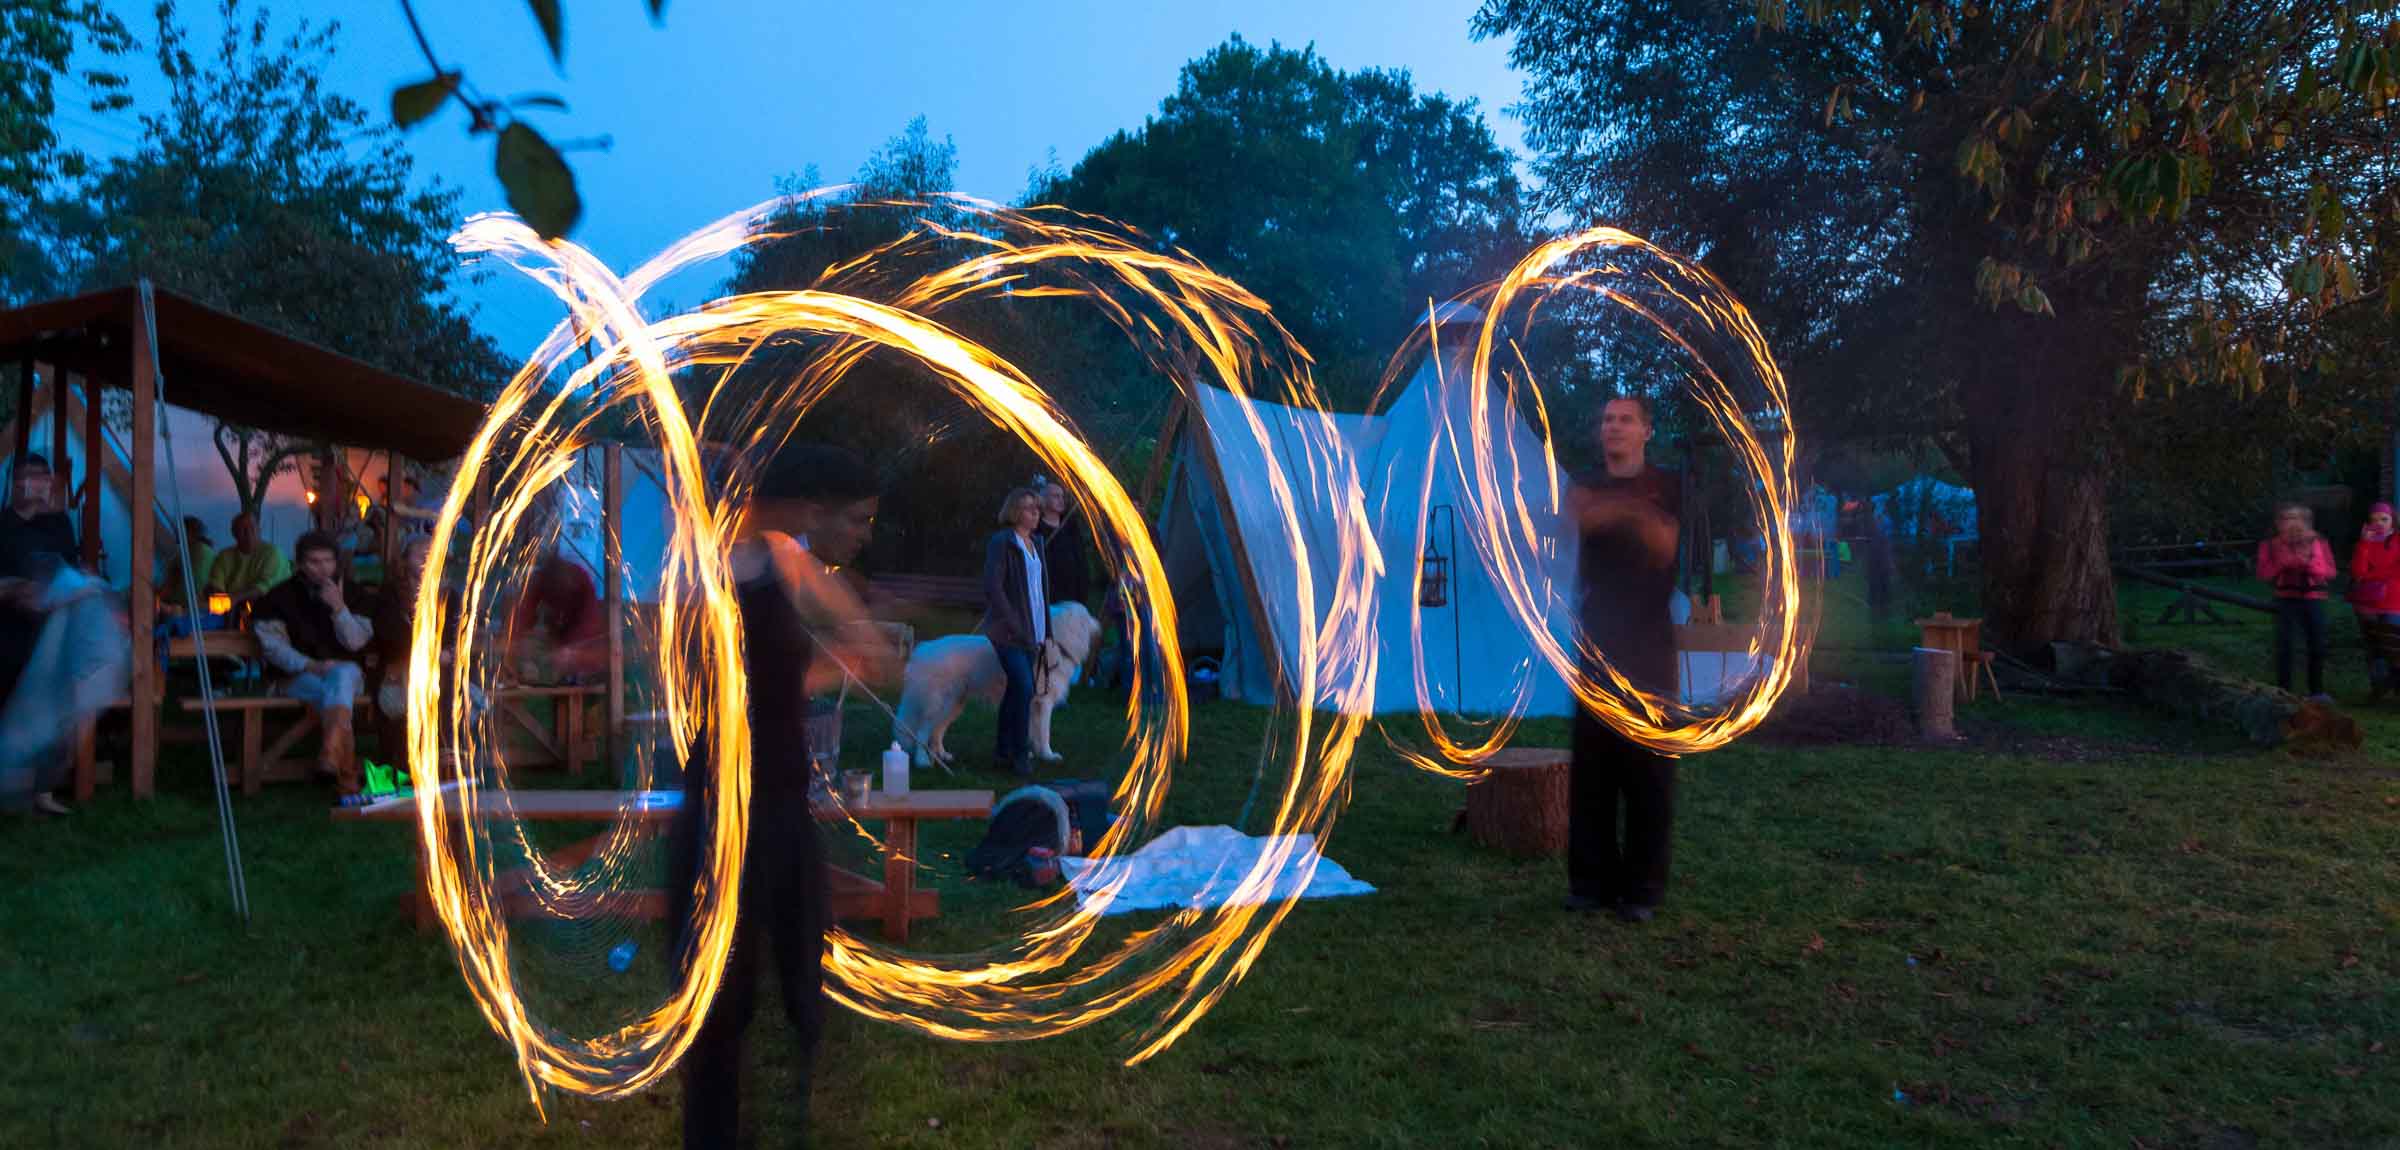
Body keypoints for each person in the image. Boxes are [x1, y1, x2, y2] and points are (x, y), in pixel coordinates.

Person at [667, 444, 892, 1150]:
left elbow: (873, 652)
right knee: (716, 993)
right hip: (717, 796)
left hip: (778, 793)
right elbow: (679, 671)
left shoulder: (780, 560)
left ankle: (786, 1113)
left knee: (799, 974)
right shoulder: (690, 571)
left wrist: (804, 682)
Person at [1563, 396, 1682, 924]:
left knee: (1649, 773)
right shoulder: (1585, 486)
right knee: (1592, 771)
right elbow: (1568, 528)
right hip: (1595, 643)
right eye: (1607, 418)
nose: (1613, 426)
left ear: (1646, 432)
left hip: (1649, 646)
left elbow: (1664, 541)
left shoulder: (1669, 486)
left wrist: (1618, 511)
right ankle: (1590, 885)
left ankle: (1643, 891)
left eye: (1625, 419)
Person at [252, 531, 374, 803]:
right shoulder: (278, 598)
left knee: (341, 675)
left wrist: (339, 609)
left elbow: (356, 644)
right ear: (299, 563)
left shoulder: (355, 594)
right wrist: (311, 665)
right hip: (297, 676)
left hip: (347, 674)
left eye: (327, 561)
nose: (321, 568)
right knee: (333, 689)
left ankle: (330, 757)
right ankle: (344, 774)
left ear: (336, 562)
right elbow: (274, 649)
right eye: (313, 562)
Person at [0, 454, 80, 815]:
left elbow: (69, 570)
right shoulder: (3, 526)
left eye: (46, 477)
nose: (45, 483)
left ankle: (43, 793)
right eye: (36, 477)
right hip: (6, 632)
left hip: (50, 629)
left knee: (52, 707)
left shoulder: (59, 524)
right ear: (17, 483)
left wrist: (73, 589)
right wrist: (12, 589)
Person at [981, 486, 1047, 777]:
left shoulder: (1037, 544)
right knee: (1024, 687)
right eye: (1029, 508)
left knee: (1016, 691)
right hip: (1008, 632)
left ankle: (1002, 750)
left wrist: (1045, 627)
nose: (1036, 513)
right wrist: (1013, 623)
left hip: (1033, 630)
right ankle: (1021, 753)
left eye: (1037, 508)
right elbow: (994, 586)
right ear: (1015, 512)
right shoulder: (1003, 543)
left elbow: (1039, 589)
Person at [2258, 502, 2336, 702]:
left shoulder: (2319, 542)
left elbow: (2330, 572)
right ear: (2277, 523)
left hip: (2313, 599)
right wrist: (2282, 565)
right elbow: (2263, 574)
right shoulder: (2269, 545)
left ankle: (2316, 691)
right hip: (2286, 599)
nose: (2292, 523)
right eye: (2286, 518)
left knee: (2317, 644)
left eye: (2296, 518)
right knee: (2285, 646)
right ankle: (2283, 692)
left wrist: (2310, 566)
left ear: (2306, 521)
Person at [509, 548, 606, 683]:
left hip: (585, 643)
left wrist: (572, 651)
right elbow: (524, 613)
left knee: (582, 667)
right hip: (558, 634)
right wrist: (521, 643)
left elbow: (590, 621)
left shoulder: (581, 580)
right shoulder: (542, 579)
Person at [2350, 501, 2400, 687]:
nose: (2379, 523)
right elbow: (2358, 573)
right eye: (2374, 520)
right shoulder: (2365, 542)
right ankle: (2379, 685)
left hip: (2393, 600)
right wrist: (2365, 544)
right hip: (2367, 602)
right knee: (2374, 647)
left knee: (2394, 644)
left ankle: (2394, 683)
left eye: (2384, 519)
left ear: (2393, 521)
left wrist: (2373, 575)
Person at [205, 511, 289, 608]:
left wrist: (235, 598)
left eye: (252, 528)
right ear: (234, 533)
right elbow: (216, 584)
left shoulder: (273, 554)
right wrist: (215, 592)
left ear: (259, 530)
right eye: (243, 529)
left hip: (271, 610)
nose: (248, 533)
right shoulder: (224, 556)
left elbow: (264, 587)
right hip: (234, 610)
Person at [1033, 476, 1093, 610]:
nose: (1061, 500)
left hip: (1074, 596)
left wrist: (1083, 589)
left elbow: (1081, 559)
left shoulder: (1070, 526)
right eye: (1055, 496)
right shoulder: (1037, 530)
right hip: (1049, 597)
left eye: (1062, 496)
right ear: (1044, 499)